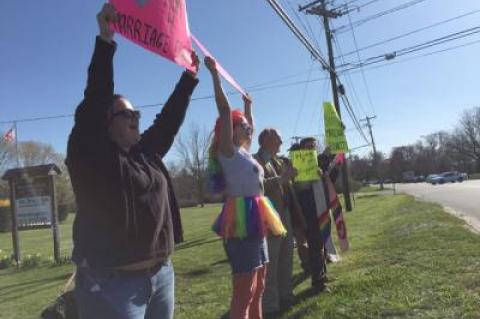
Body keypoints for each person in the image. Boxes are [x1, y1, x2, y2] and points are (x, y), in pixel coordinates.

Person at [65, 4, 200, 319]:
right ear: (106, 122)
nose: (137, 118)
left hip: (161, 276)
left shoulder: (144, 154)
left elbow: (167, 123)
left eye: (137, 113)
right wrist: (106, 40)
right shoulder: (93, 156)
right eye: (128, 113)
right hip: (112, 287)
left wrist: (189, 78)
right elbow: (96, 97)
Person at [205, 57, 286, 319]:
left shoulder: (246, 153)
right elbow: (223, 108)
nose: (248, 127)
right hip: (240, 220)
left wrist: (248, 106)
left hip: (257, 219)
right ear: (229, 129)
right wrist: (215, 75)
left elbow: (249, 121)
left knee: (259, 284)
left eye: (247, 126)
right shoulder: (228, 152)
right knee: (244, 289)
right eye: (242, 124)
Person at [253, 129, 297, 315]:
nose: (281, 140)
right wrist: (282, 179)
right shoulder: (255, 160)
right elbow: (257, 184)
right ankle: (271, 306)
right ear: (266, 140)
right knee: (271, 263)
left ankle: (286, 296)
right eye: (278, 137)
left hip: (285, 215)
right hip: (269, 218)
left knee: (287, 258)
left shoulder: (279, 161)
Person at [293, 137, 329, 292]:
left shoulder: (317, 163)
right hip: (308, 212)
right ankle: (318, 282)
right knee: (315, 246)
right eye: (308, 147)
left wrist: (320, 175)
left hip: (321, 208)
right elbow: (299, 188)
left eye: (314, 147)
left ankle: (323, 274)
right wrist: (310, 178)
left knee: (323, 244)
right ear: (302, 149)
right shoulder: (297, 165)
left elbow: (330, 153)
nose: (311, 149)